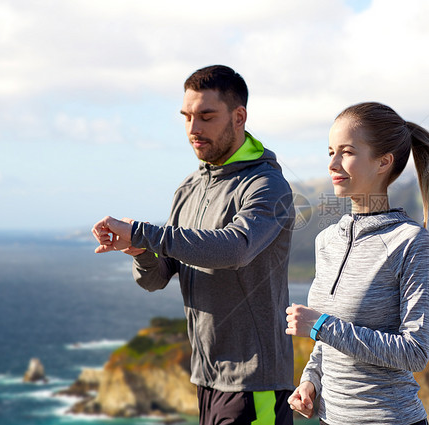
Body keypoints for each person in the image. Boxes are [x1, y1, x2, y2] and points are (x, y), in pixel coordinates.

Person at [91, 65, 295, 425]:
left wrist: (143, 232)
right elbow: (155, 279)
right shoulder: (188, 189)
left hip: (255, 381)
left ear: (239, 116)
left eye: (206, 116)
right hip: (205, 378)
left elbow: (235, 249)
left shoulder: (267, 186)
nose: (193, 129)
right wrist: (140, 252)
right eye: (186, 117)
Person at [284, 102, 429, 425]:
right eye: (330, 152)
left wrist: (321, 325)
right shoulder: (326, 241)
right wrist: (311, 381)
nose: (333, 164)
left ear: (383, 162)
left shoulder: (410, 242)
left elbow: (414, 352)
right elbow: (327, 341)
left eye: (346, 152)